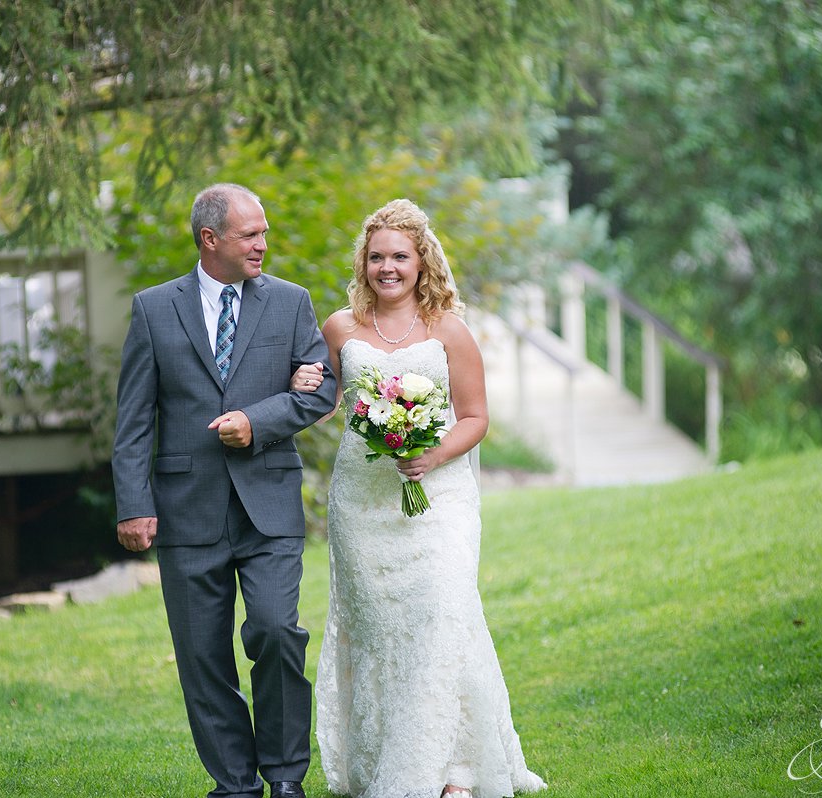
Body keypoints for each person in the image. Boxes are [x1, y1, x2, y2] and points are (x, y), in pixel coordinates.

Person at [292, 199, 546, 798]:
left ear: (421, 260)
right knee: (380, 630)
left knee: (439, 615)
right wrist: (301, 381)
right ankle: (385, 760)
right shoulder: (339, 328)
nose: (388, 267)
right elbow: (322, 401)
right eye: (377, 256)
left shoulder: (449, 330)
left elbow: (476, 416)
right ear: (364, 262)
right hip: (362, 500)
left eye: (399, 256)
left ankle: (454, 772)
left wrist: (430, 456)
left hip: (440, 495)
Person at [112, 183, 336, 798]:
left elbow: (319, 390)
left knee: (274, 630)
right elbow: (134, 418)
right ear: (210, 239)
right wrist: (134, 503)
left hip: (269, 505)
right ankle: (235, 783)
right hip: (186, 509)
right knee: (201, 655)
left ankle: (285, 777)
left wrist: (256, 423)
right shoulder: (155, 309)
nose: (264, 244)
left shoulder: (291, 304)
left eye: (264, 232)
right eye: (251, 235)